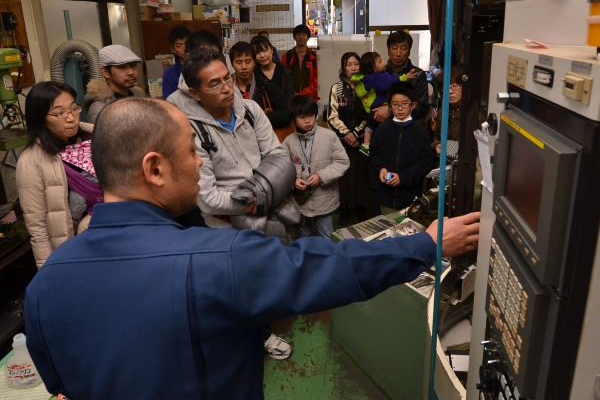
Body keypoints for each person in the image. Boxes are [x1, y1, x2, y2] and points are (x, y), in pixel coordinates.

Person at [24, 96, 481, 400]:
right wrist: (425, 244)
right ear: (155, 168)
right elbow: (328, 266)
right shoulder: (216, 259)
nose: (200, 161)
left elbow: (62, 384)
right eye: (191, 151)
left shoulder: (44, 287)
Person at [169, 48, 294, 358]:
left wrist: (259, 195)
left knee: (263, 276)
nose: (226, 87)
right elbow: (209, 199)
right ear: (195, 93)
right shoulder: (190, 130)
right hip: (223, 227)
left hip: (262, 210)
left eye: (227, 79)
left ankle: (262, 329)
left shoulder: (250, 109)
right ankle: (254, 337)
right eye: (215, 84)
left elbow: (279, 156)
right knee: (236, 285)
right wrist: (252, 199)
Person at [16, 82, 98, 269]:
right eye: (59, 113)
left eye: (74, 109)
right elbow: (38, 228)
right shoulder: (31, 162)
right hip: (75, 250)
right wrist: (48, 271)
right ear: (39, 118)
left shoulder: (97, 135)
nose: (70, 118)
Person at [283, 95, 349, 238]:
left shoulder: (329, 136)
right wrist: (293, 180)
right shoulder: (288, 142)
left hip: (324, 200)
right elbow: (282, 169)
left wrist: (321, 176)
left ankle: (328, 260)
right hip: (299, 202)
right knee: (303, 235)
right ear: (293, 119)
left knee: (326, 235)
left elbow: (342, 161)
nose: (308, 120)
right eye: (302, 117)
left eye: (311, 115)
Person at [370, 82, 433, 215]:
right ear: (389, 106)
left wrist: (402, 178)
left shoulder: (421, 133)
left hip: (410, 198)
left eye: (405, 104)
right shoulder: (382, 129)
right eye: (395, 104)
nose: (400, 108)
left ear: (413, 105)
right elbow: (374, 153)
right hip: (385, 196)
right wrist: (381, 168)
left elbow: (425, 163)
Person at [327, 52, 372, 225]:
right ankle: (345, 208)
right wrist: (347, 134)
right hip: (342, 141)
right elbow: (332, 116)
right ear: (343, 68)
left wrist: (357, 134)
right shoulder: (336, 88)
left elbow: (369, 113)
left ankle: (361, 207)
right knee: (344, 176)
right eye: (348, 64)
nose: (353, 68)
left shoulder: (366, 87)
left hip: (362, 139)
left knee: (361, 175)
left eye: (356, 64)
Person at [352, 51, 417, 156]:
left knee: (371, 125)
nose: (383, 62)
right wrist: (405, 77)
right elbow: (390, 82)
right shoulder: (379, 76)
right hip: (380, 105)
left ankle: (366, 144)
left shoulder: (366, 78)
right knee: (383, 125)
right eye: (380, 61)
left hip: (372, 107)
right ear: (374, 69)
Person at [371, 30, 429, 124]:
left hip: (408, 129)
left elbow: (422, 108)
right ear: (388, 51)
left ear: (409, 51)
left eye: (403, 48)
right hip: (380, 128)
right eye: (394, 48)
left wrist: (390, 111)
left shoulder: (418, 74)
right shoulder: (377, 73)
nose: (398, 53)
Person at [84, 45, 144, 123]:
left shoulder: (137, 95)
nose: (131, 72)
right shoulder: (100, 110)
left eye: (133, 66)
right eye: (122, 67)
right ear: (105, 72)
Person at [250, 36, 295, 140]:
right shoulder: (254, 75)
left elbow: (290, 100)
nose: (262, 56)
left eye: (265, 50)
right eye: (257, 52)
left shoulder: (286, 72)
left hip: (285, 123)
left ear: (272, 50)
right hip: (262, 128)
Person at [166, 29, 224, 108]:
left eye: (216, 56)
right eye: (205, 57)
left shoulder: (231, 88)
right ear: (188, 57)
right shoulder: (174, 101)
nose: (212, 63)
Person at [280, 24, 318, 102]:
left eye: (304, 34)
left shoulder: (314, 57)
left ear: (308, 37)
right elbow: (282, 78)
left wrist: (304, 93)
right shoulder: (287, 57)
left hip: (309, 98)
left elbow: (317, 79)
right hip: (291, 99)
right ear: (294, 37)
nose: (301, 37)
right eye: (298, 34)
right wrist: (293, 94)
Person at [432, 67, 463, 157]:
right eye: (446, 87)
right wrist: (436, 145)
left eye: (455, 86)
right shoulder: (443, 110)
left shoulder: (472, 113)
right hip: (446, 161)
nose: (450, 91)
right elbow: (437, 136)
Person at [162, 25, 191, 100]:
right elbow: (169, 102)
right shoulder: (169, 74)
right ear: (173, 49)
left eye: (187, 43)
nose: (184, 48)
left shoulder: (203, 66)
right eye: (179, 45)